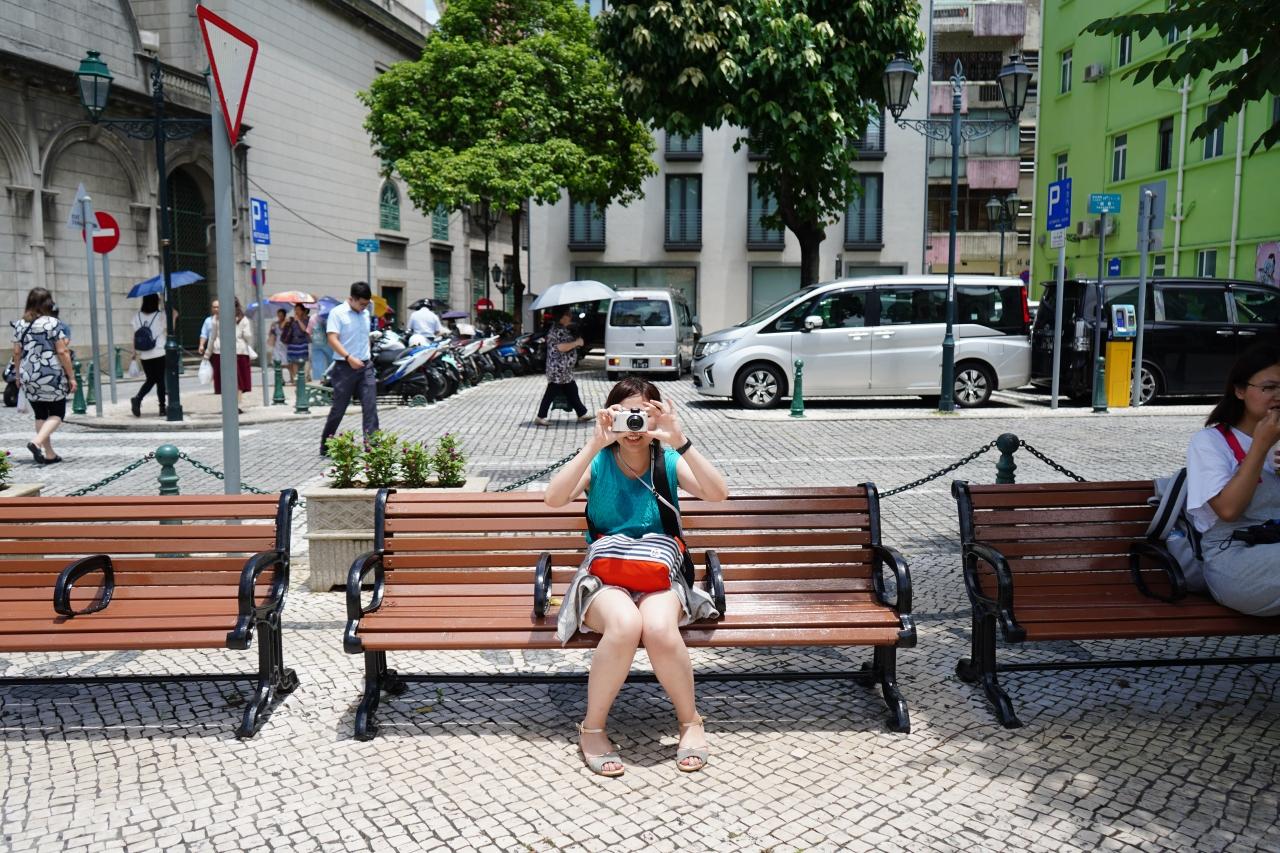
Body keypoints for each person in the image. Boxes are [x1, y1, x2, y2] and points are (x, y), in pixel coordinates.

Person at [545, 377, 728, 776]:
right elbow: (553, 498)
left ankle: (690, 722)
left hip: (659, 572)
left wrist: (680, 439)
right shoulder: (599, 461)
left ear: (657, 416)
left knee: (659, 628)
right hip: (605, 577)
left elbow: (718, 494)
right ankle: (593, 729)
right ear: (610, 415)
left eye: (643, 414)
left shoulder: (668, 459)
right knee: (625, 624)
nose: (633, 425)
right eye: (625, 414)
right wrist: (594, 443)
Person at [1186, 343, 1280, 616]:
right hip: (1234, 556)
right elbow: (1228, 510)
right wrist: (1260, 446)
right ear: (1239, 390)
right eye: (1269, 388)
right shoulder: (1210, 442)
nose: (1278, 396)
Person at [12, 287, 76, 464]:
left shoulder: (19, 324)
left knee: (40, 414)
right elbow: (62, 351)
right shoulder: (53, 323)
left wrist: (18, 376)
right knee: (57, 413)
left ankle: (49, 454)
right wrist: (71, 376)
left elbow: (16, 352)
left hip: (28, 373)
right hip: (50, 373)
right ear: (48, 303)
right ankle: (36, 442)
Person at [320, 281, 378, 456]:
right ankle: (326, 445)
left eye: (366, 304)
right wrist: (348, 357)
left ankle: (372, 447)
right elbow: (332, 339)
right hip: (344, 367)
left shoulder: (365, 314)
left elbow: (364, 337)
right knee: (339, 408)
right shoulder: (337, 313)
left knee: (370, 406)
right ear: (352, 299)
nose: (364, 307)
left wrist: (367, 355)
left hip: (365, 366)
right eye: (361, 304)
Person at [534, 306, 592, 426]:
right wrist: (576, 343)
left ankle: (581, 413)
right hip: (558, 368)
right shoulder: (556, 330)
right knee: (551, 391)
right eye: (568, 314)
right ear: (562, 317)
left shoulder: (564, 328)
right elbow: (560, 347)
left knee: (572, 390)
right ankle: (540, 416)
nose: (570, 316)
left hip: (564, 369)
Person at [207, 297, 256, 412]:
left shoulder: (217, 318)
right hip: (239, 351)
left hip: (220, 351)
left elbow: (212, 337)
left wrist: (207, 353)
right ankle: (237, 405)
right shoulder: (243, 319)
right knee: (239, 381)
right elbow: (248, 336)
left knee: (224, 381)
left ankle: (227, 405)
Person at [130, 293, 167, 417]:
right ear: (156, 301)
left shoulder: (137, 316)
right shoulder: (160, 315)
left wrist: (134, 352)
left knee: (151, 379)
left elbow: (135, 336)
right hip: (159, 352)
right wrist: (164, 301)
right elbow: (175, 314)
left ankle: (138, 399)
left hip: (144, 354)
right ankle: (162, 408)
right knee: (160, 380)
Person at [281, 304, 310, 381]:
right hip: (292, 343)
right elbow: (282, 327)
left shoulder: (306, 319)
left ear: (302, 311)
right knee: (293, 361)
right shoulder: (291, 319)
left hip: (302, 343)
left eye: (298, 310)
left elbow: (304, 329)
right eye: (295, 309)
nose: (296, 311)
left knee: (303, 360)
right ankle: (295, 379)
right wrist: (285, 321)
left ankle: (304, 378)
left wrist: (298, 320)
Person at [307, 305, 333, 381]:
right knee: (331, 361)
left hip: (316, 343)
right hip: (328, 343)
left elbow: (308, 331)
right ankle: (331, 378)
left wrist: (312, 340)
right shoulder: (329, 317)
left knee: (317, 363)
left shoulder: (313, 317)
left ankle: (318, 381)